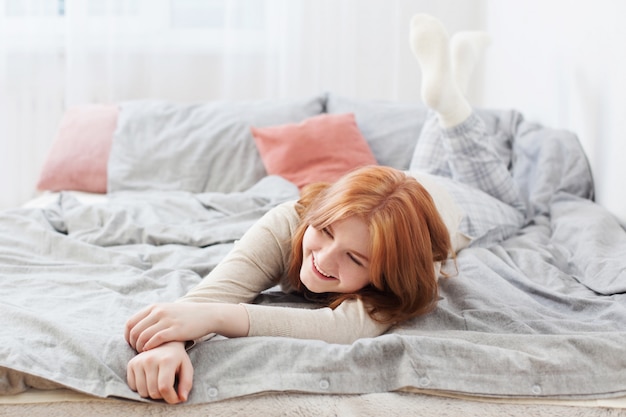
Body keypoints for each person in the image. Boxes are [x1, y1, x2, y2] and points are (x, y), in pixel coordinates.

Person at [124, 13, 525, 404]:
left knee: (514, 208)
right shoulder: (289, 221)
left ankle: (452, 101)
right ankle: (451, 100)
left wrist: (216, 319)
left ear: (387, 271)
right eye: (327, 232)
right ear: (319, 213)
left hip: (450, 204)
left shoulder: (408, 268)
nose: (323, 259)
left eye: (354, 258)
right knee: (420, 173)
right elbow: (211, 294)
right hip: (398, 193)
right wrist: (170, 342)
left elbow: (341, 328)